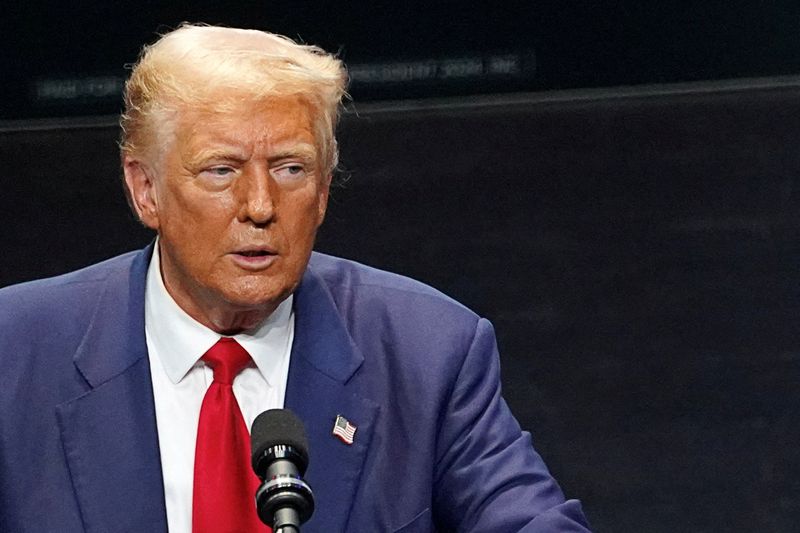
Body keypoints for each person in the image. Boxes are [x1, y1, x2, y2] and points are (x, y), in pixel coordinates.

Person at [0, 24, 591, 532]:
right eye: (220, 170)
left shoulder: (427, 351)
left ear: (325, 189)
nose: (260, 204)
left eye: (290, 168)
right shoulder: (17, 352)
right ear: (145, 189)